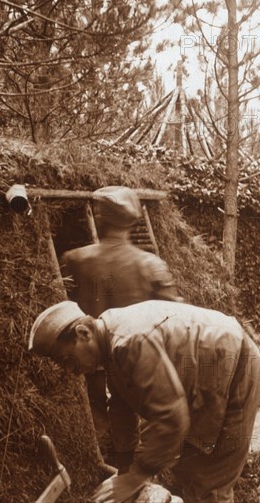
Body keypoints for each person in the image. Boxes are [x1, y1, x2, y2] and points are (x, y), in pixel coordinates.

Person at [28, 299, 260, 503]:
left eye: (67, 358)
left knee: (210, 483)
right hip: (202, 378)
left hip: (235, 368)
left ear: (83, 333)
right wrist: (125, 466)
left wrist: (135, 477)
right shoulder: (108, 339)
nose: (70, 370)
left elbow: (171, 417)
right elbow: (121, 406)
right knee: (185, 466)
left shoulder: (130, 342)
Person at [61, 186, 183, 460]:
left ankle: (105, 459)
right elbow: (173, 316)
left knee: (100, 406)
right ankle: (141, 463)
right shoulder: (150, 265)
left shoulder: (75, 259)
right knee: (135, 405)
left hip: (89, 353)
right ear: (131, 222)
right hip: (138, 357)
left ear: (100, 218)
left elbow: (64, 310)